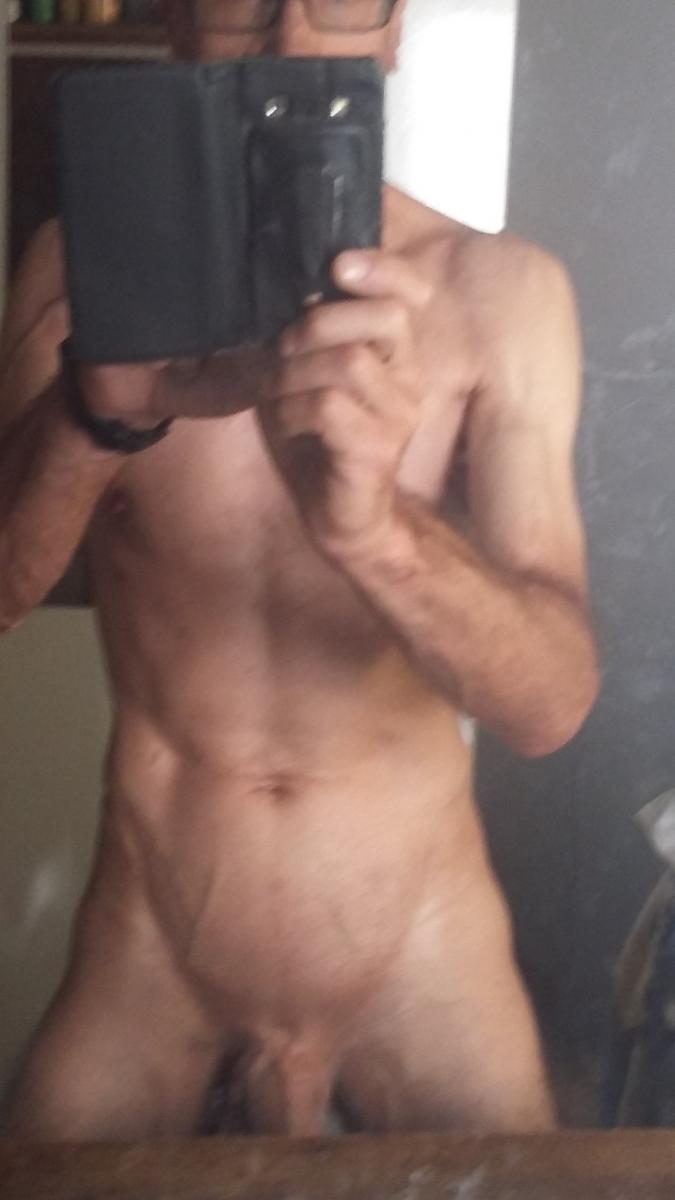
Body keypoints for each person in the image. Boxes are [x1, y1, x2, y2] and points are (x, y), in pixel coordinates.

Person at [0, 0, 599, 1139]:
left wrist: (376, 533)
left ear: (393, 30)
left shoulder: (501, 292)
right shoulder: (76, 273)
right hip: (152, 943)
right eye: (240, 1)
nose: (287, 38)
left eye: (337, 1)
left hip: (422, 943)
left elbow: (550, 703)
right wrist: (91, 421)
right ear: (179, 23)